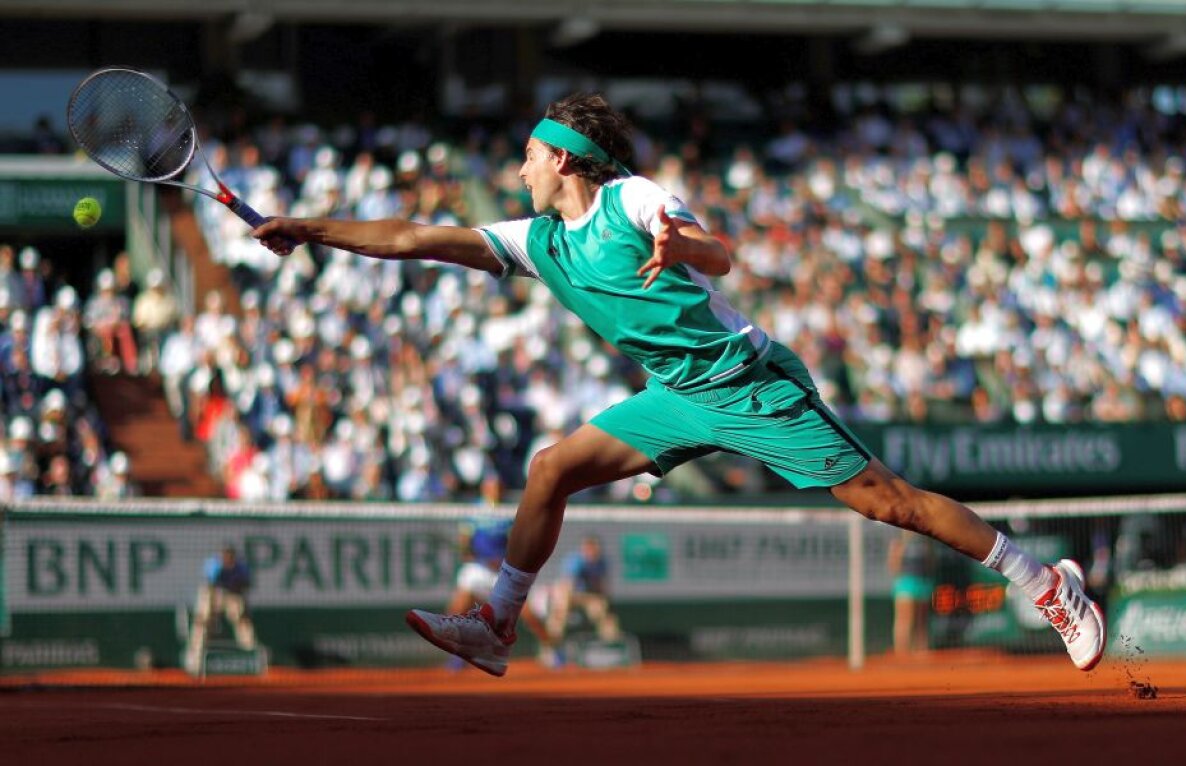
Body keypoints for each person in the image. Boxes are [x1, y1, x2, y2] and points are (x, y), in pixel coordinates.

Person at [253, 93, 1106, 678]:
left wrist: (680, 249)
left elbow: (718, 253)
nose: (518, 169)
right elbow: (410, 237)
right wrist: (310, 230)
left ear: (565, 160)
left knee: (893, 505)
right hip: (675, 393)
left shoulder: (631, 199)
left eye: (528, 157)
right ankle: (498, 624)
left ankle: (1044, 584)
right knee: (552, 468)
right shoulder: (536, 238)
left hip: (749, 381)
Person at [448, 477, 562, 669]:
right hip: (479, 568)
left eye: (499, 487)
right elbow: (464, 544)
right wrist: (474, 556)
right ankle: (459, 653)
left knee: (529, 614)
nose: (496, 491)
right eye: (492, 487)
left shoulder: (510, 513)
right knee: (457, 607)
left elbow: (517, 542)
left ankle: (552, 649)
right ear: (484, 489)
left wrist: (505, 561)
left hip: (504, 570)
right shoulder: (473, 512)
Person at [185, 546, 257, 672]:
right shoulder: (214, 564)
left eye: (231, 557)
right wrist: (210, 616)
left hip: (233, 593)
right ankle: (195, 659)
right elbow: (210, 584)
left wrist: (241, 605)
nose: (228, 560)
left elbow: (247, 585)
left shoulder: (241, 568)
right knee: (201, 621)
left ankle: (251, 654)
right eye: (225, 557)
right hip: (213, 593)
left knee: (243, 621)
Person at [547, 534, 621, 644]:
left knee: (602, 611)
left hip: (589, 596)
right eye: (588, 548)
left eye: (594, 549)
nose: (591, 552)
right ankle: (552, 644)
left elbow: (602, 587)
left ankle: (611, 644)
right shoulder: (575, 560)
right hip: (571, 594)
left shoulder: (602, 563)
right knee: (560, 606)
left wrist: (602, 601)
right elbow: (567, 584)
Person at [888, 531, 935, 658]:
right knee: (904, 618)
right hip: (905, 581)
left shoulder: (925, 536)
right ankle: (902, 653)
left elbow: (930, 558)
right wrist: (899, 578)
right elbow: (894, 559)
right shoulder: (899, 536)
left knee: (921, 619)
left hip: (923, 580)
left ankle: (922, 651)